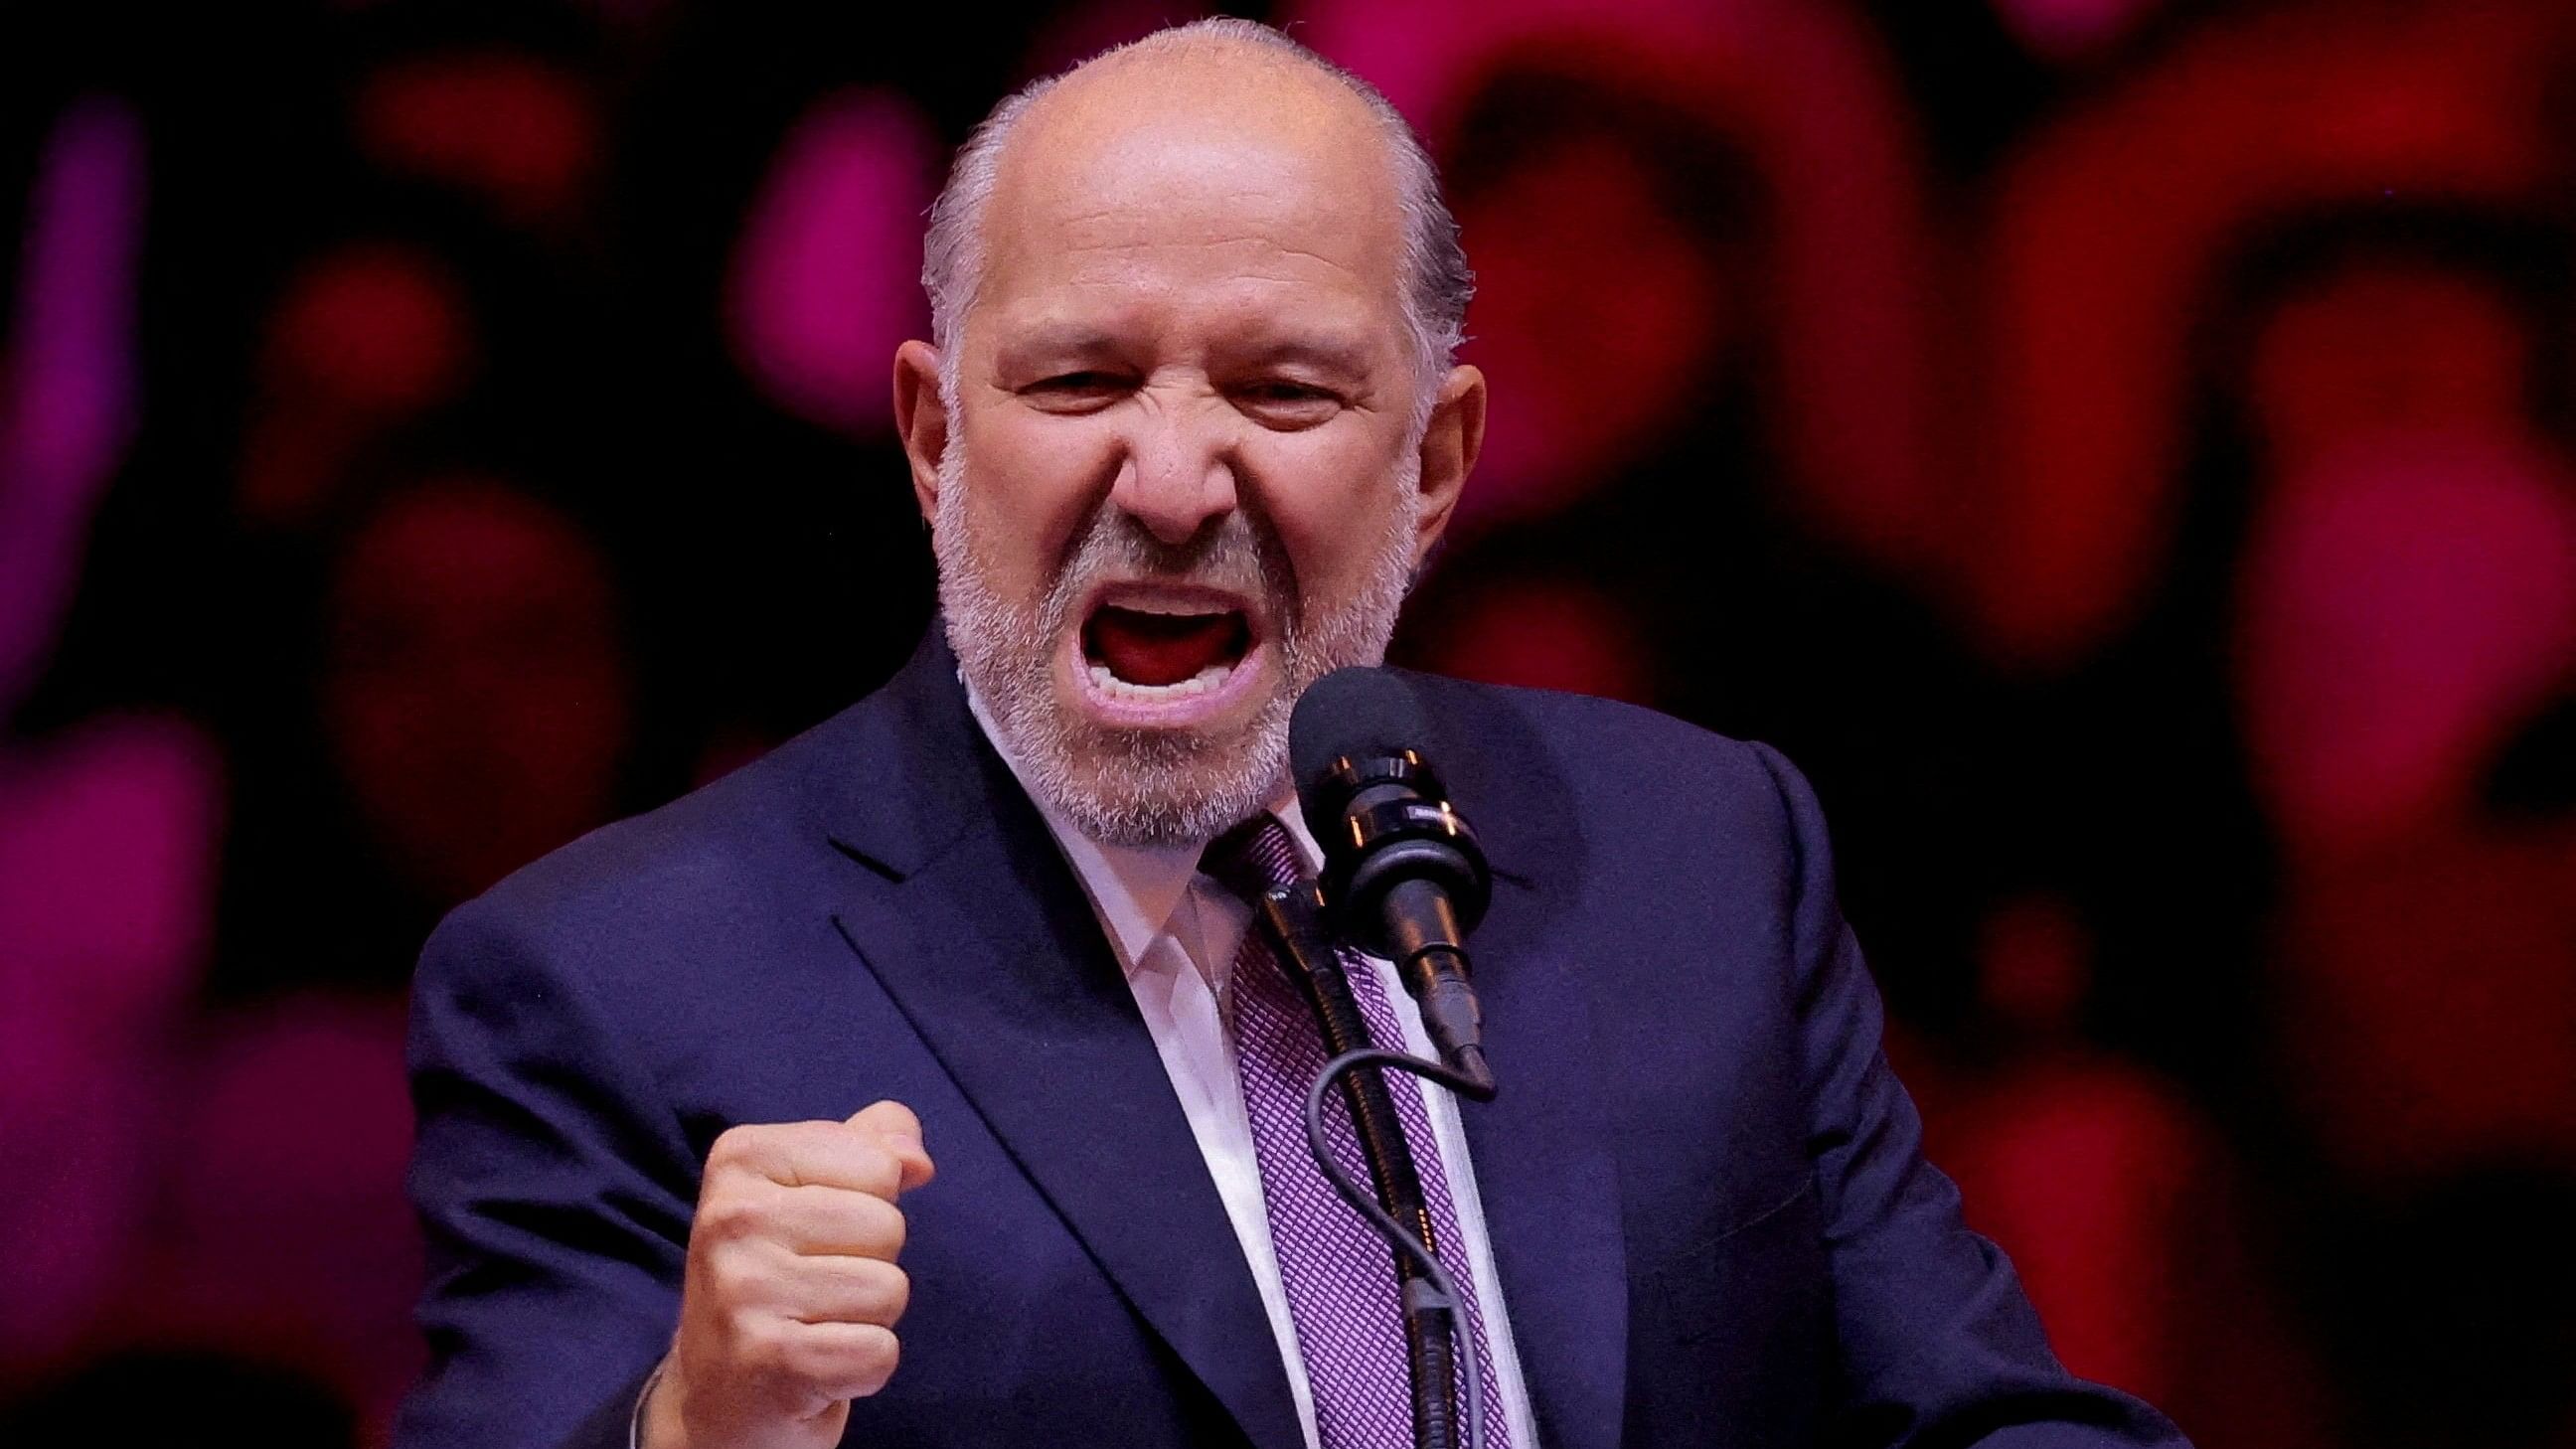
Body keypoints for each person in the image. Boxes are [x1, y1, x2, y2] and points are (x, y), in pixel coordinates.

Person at [395, 20, 2188, 1449]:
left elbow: (1980, 1416)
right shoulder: (614, 980)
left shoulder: (1697, 848)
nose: (1173, 483)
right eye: (1082, 379)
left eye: (1283, 390)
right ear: (936, 443)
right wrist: (699, 1429)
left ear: (1434, 466)